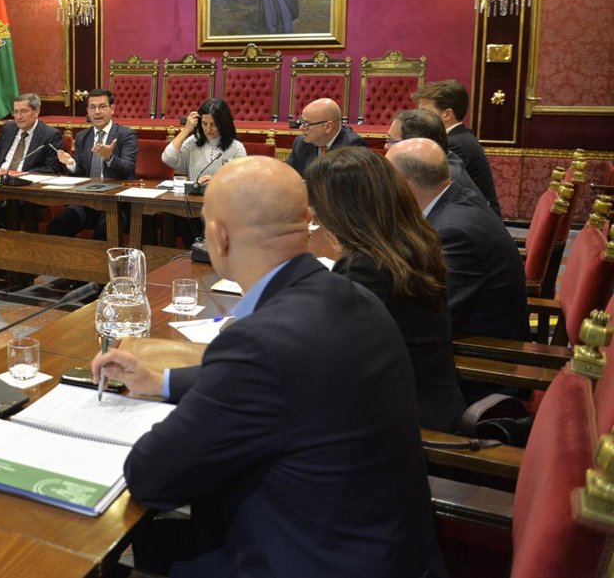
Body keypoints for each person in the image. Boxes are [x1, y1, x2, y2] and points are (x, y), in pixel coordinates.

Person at [90, 157, 444, 577]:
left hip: (300, 558)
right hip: (384, 550)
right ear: (307, 221)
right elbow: (281, 380)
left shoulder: (258, 343)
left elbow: (151, 477)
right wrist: (158, 380)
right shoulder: (354, 297)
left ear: (218, 236)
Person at [305, 147, 465, 432]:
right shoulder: (409, 243)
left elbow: (327, 358)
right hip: (430, 402)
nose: (313, 214)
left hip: (400, 425)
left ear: (340, 209)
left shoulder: (366, 268)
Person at [387, 138, 528, 401]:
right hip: (465, 344)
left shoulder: (454, 233)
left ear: (402, 183)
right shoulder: (455, 199)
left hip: (480, 371)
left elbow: (431, 315)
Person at [47, 88, 138, 240]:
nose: (97, 112)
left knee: (104, 234)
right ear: (88, 111)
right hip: (87, 201)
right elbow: (80, 173)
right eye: (92, 107)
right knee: (58, 225)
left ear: (112, 109)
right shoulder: (83, 136)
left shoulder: (126, 135)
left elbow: (128, 169)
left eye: (102, 107)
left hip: (115, 202)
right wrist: (71, 164)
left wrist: (109, 157)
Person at [411, 79, 502, 216]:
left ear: (447, 115)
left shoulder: (455, 144)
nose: (418, 118)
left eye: (424, 112)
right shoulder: (461, 136)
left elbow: (433, 187)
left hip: (475, 217)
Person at [387, 108, 483, 201]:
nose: (385, 146)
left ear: (416, 145)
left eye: (391, 140)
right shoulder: (444, 161)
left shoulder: (439, 177)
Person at [162, 97, 247, 185]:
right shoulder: (193, 142)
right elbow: (167, 158)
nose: (208, 129)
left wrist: (217, 181)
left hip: (221, 193)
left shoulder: (236, 148)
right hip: (193, 193)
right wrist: (186, 130)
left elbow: (242, 181)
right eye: (204, 124)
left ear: (223, 123)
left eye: (214, 124)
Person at [285, 97, 367, 177]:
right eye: (301, 121)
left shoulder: (352, 146)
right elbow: (288, 175)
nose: (301, 127)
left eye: (307, 124)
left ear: (328, 127)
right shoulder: (301, 142)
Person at [0, 92, 62, 173]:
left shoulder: (50, 135)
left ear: (36, 111)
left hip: (25, 178)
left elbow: (51, 167)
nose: (18, 117)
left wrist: (24, 174)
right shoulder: (8, 128)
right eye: (15, 112)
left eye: (24, 111)